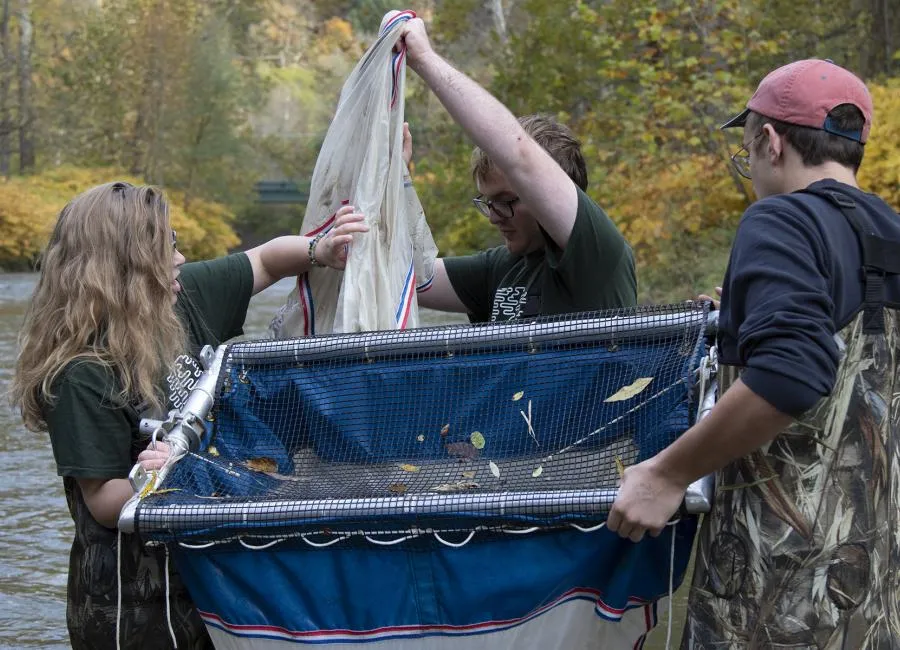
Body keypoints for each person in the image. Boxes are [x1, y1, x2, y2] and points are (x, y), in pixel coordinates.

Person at [608, 59, 900, 647]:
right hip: (873, 599)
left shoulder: (780, 220)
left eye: (747, 149)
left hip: (773, 603)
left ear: (770, 140)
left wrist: (665, 474)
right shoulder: (890, 229)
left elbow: (793, 371)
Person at [10, 182, 367, 650]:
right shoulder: (82, 374)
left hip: (205, 573)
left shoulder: (182, 299)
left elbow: (265, 260)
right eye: (165, 247)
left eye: (175, 241)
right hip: (132, 602)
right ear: (125, 267)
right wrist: (156, 474)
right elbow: (101, 499)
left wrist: (320, 248)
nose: (179, 258)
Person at [397, 21, 636, 322]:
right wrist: (398, 181)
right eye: (488, 202)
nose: (494, 215)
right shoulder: (501, 267)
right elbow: (414, 280)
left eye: (507, 201)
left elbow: (518, 154)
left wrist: (423, 57)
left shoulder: (595, 255)